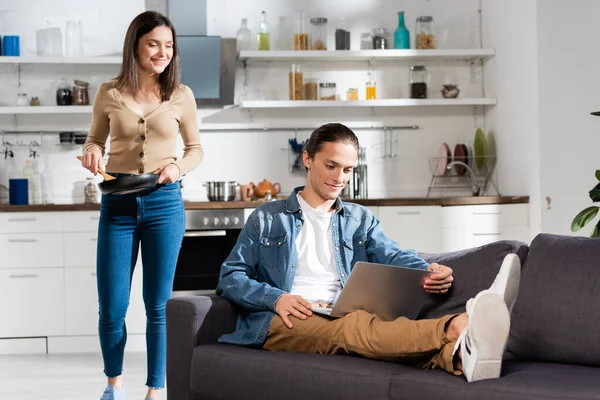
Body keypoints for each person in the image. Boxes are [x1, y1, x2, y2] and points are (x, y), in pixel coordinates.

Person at [217, 123, 520, 382]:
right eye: (331, 165)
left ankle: (459, 357)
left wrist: (424, 270)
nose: (339, 177)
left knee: (361, 328)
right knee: (355, 327)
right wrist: (277, 298)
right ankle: (457, 326)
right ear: (307, 159)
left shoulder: (359, 219)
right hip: (282, 319)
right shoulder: (268, 217)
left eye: (348, 169)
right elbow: (230, 276)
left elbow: (393, 255)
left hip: (337, 309)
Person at [81, 11, 203, 400]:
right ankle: (113, 385)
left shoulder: (181, 95)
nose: (162, 52)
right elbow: (94, 141)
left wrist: (177, 167)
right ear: (135, 44)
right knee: (112, 307)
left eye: (168, 45)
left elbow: (196, 149)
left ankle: (154, 390)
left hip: (165, 205)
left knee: (158, 305)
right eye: (153, 43)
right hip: (117, 206)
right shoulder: (109, 93)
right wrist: (91, 153)